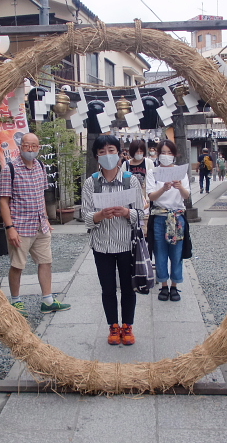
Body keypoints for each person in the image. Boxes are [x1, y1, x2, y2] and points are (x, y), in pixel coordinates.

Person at [0, 132, 71, 317]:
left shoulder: (40, 165)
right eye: (26, 145)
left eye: (34, 146)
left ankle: (47, 299)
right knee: (17, 265)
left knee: (46, 261)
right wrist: (10, 228)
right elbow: (3, 201)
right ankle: (15, 300)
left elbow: (41, 194)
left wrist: (46, 217)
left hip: (40, 225)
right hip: (20, 226)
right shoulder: (10, 169)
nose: (30, 149)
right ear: (20, 146)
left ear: (38, 148)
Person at [82, 135, 144, 345]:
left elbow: (140, 214)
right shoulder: (91, 183)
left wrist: (127, 212)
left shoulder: (130, 180)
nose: (107, 155)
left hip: (126, 243)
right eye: (102, 152)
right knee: (107, 289)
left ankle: (127, 326)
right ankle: (113, 326)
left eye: (111, 150)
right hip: (102, 246)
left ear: (119, 153)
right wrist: (100, 215)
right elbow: (86, 216)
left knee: (127, 287)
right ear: (96, 157)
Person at [146, 140, 192, 302]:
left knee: (176, 253)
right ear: (158, 155)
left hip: (177, 217)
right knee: (160, 253)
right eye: (163, 153)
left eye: (169, 153)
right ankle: (163, 285)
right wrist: (163, 188)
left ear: (174, 155)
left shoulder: (181, 172)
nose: (166, 156)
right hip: (159, 216)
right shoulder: (153, 172)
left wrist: (179, 187)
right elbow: (151, 197)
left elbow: (187, 196)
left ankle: (174, 286)